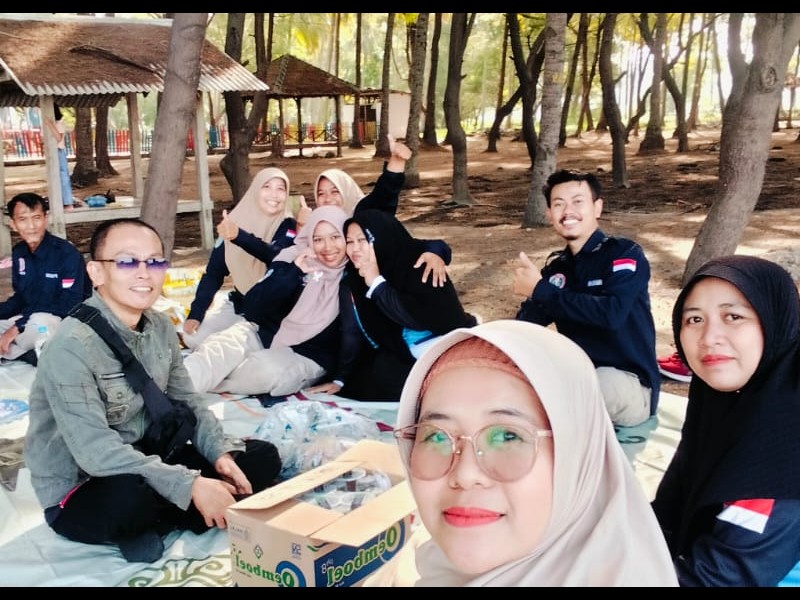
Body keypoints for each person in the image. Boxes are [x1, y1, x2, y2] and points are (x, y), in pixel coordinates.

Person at [23, 218, 281, 564]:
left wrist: (220, 453)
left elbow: (189, 402)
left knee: (259, 458)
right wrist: (189, 484)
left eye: (155, 261)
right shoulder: (70, 346)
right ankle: (177, 512)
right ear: (96, 273)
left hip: (148, 456)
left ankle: (174, 514)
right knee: (130, 500)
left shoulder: (159, 326)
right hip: (85, 484)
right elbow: (95, 453)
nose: (144, 273)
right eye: (127, 262)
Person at [368, 319, 677, 586]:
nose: (465, 474)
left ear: (578, 455)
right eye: (436, 436)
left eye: (508, 435)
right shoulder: (429, 564)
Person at [651, 255, 800, 586]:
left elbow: (720, 579)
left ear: (775, 319)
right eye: (694, 319)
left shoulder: (786, 444)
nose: (709, 337)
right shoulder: (718, 406)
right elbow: (664, 518)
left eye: (733, 317)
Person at [512, 168, 659, 428]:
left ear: (597, 207)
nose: (568, 211)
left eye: (578, 201)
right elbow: (527, 327)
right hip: (577, 378)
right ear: (549, 214)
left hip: (628, 385)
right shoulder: (557, 269)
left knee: (595, 386)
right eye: (559, 204)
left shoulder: (624, 253)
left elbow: (612, 314)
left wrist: (540, 290)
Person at [183, 206, 356, 396]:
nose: (328, 247)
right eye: (318, 239)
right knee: (217, 350)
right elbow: (253, 307)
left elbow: (356, 334)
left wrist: (341, 378)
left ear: (346, 238)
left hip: (308, 354)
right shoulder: (292, 257)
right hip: (263, 331)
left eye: (335, 237)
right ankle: (170, 394)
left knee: (262, 372)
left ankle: (218, 380)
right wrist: (294, 272)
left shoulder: (354, 275)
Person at [306, 209, 478, 400]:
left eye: (363, 240)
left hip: (449, 345)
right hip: (404, 352)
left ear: (380, 238)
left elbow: (417, 319)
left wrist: (376, 283)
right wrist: (340, 379)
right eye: (350, 242)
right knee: (375, 377)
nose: (355, 249)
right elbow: (351, 332)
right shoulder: (353, 279)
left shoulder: (422, 264)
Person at [181, 167, 297, 348]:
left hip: (272, 313)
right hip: (240, 303)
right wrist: (196, 313)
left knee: (234, 350)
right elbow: (214, 274)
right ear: (255, 190)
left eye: (281, 189)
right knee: (192, 337)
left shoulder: (289, 226)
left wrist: (239, 236)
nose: (274, 195)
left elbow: (277, 255)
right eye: (267, 187)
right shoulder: (234, 222)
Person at [0, 192, 90, 365]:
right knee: (29, 325)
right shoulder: (19, 252)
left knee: (41, 324)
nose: (31, 226)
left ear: (46, 219)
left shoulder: (66, 254)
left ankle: (22, 351)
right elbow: (20, 298)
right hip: (27, 321)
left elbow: (70, 304)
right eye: (23, 219)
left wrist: (18, 327)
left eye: (36, 218)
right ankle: (26, 354)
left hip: (59, 323)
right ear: (13, 224)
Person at [43, 104, 74, 211]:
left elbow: (58, 138)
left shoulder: (59, 124)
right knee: (55, 177)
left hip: (59, 151)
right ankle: (59, 201)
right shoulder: (50, 124)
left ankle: (68, 203)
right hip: (52, 152)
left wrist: (50, 124)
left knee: (63, 177)